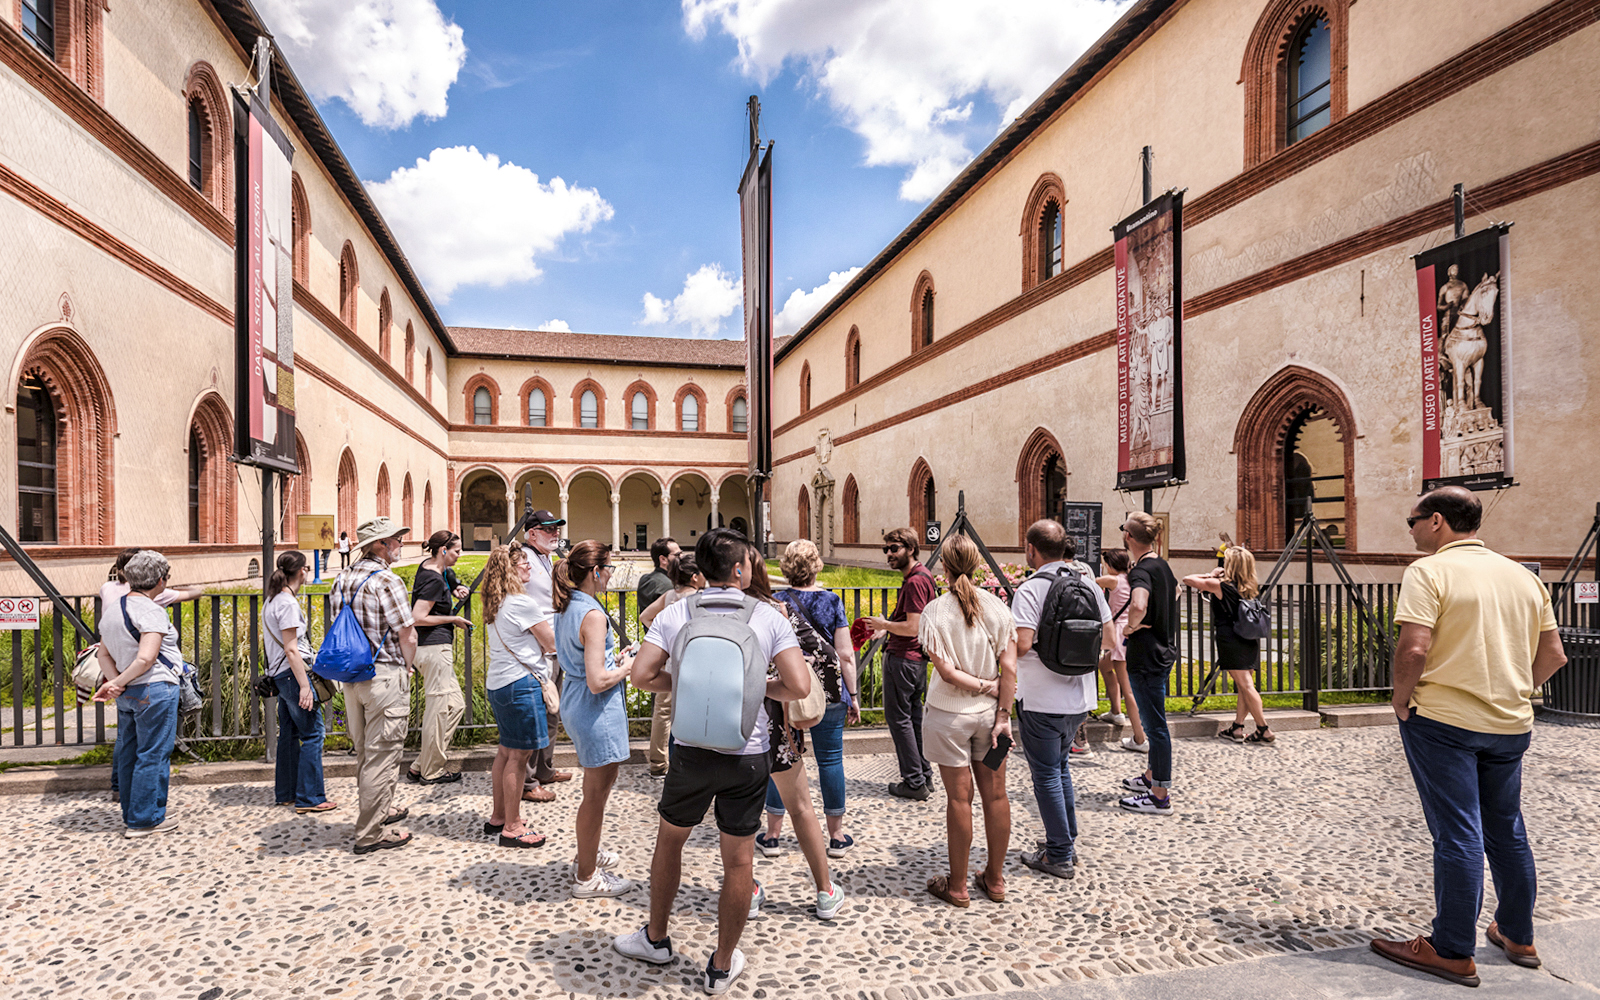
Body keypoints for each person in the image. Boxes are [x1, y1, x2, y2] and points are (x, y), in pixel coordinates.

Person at [1370, 487, 1568, 987]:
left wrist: (1399, 698)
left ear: (1436, 521)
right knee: (1507, 829)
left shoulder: (1429, 571)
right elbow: (1554, 656)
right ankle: (1518, 935)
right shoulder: (1522, 577)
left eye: (1412, 521)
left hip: (1445, 722)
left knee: (1458, 832)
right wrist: (1514, 687)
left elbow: (1414, 648)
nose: (1410, 530)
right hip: (1509, 723)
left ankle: (1452, 949)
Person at [614, 528, 811, 994]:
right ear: (741, 569)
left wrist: (680, 686)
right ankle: (721, 966)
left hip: (690, 752)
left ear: (699, 569)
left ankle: (657, 938)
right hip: (748, 751)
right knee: (739, 863)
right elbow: (799, 686)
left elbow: (642, 676)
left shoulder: (677, 611)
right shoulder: (767, 616)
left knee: (670, 842)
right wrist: (755, 689)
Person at [740, 543, 847, 920]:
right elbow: (810, 673)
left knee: (736, 813)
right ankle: (824, 889)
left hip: (723, 728)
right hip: (772, 725)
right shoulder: (774, 613)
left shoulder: (701, 611)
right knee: (802, 804)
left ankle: (747, 888)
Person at [917, 533, 1017, 906]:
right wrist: (1001, 708)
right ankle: (994, 879)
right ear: (977, 565)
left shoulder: (935, 612)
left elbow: (945, 673)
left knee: (960, 799)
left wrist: (979, 687)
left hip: (949, 716)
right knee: (997, 796)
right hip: (992, 718)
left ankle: (957, 886)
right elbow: (1009, 667)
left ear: (943, 567)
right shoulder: (998, 609)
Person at [1012, 520, 1113, 879]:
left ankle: (1058, 855)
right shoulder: (1088, 583)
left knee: (1046, 776)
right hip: (1080, 697)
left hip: (1041, 697)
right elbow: (1110, 639)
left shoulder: (1031, 589)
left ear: (1031, 549)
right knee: (1061, 769)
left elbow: (1023, 644)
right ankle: (1066, 841)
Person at [763, 539, 859, 859]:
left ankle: (773, 834)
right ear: (817, 565)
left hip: (788, 689)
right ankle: (837, 835)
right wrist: (854, 695)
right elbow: (845, 654)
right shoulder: (832, 601)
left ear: (787, 568)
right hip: (829, 689)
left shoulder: (775, 602)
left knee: (782, 758)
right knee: (830, 759)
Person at [554, 540, 638, 897]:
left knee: (596, 793)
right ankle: (587, 877)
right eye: (609, 568)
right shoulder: (592, 614)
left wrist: (612, 659)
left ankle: (588, 854)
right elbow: (597, 679)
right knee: (595, 795)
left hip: (577, 701)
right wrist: (629, 667)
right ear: (595, 572)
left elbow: (582, 662)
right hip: (594, 708)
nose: (610, 575)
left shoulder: (569, 605)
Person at [331, 517, 418, 854]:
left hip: (352, 675)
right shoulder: (386, 580)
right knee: (383, 755)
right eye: (397, 539)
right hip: (383, 674)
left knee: (367, 753)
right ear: (381, 544)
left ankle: (380, 810)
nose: (400, 544)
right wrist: (408, 666)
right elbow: (407, 633)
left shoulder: (342, 578)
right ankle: (370, 833)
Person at [98, 548, 202, 803]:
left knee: (129, 752)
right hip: (154, 688)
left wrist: (116, 683)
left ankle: (131, 812)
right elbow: (146, 658)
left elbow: (103, 654)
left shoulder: (114, 608)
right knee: (153, 754)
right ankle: (147, 818)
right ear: (160, 580)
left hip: (128, 692)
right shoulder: (151, 610)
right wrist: (118, 683)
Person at [482, 543, 553, 849]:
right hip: (521, 685)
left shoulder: (498, 603)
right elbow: (550, 643)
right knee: (519, 757)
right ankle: (512, 826)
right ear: (511, 570)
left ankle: (499, 815)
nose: (529, 568)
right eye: (523, 564)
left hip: (499, 683)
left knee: (505, 752)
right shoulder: (523, 604)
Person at [861, 527, 938, 800]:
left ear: (911, 549)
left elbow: (913, 627)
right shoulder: (922, 576)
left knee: (900, 721)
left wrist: (885, 625)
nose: (889, 555)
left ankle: (914, 782)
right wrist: (889, 627)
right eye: (887, 550)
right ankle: (924, 775)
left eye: (894, 548)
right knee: (913, 720)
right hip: (914, 661)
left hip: (904, 659)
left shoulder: (916, 581)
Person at [263, 550, 335, 814]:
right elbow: (292, 649)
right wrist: (305, 686)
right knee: (313, 733)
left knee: (289, 735)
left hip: (280, 676)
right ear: (302, 571)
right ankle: (311, 797)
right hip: (294, 676)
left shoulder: (271, 601)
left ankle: (287, 793)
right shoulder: (287, 604)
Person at [1117, 512, 1178, 816]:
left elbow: (1139, 604)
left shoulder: (1140, 570)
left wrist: (1130, 627)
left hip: (1146, 657)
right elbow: (1176, 592)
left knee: (1155, 727)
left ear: (1128, 536)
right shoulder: (1163, 566)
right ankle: (1152, 777)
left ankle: (1160, 795)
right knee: (1155, 721)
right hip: (1163, 652)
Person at [1182, 547, 1273, 744]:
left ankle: (1263, 729)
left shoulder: (1221, 586)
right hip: (1249, 639)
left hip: (1231, 639)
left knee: (1246, 686)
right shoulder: (1249, 587)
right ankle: (1237, 728)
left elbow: (1188, 579)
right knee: (1244, 685)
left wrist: (1211, 574)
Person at [407, 531, 473, 784]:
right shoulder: (433, 579)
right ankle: (431, 771)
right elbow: (417, 617)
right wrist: (453, 619)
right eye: (456, 551)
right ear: (443, 550)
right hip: (433, 649)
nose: (459, 555)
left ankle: (419, 765)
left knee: (455, 706)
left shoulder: (431, 568)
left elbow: (448, 576)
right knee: (439, 712)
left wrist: (455, 586)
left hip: (432, 649)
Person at [522, 510, 574, 800]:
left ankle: (545, 768)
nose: (556, 533)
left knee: (552, 712)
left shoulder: (546, 558)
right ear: (532, 533)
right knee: (538, 713)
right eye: (549, 529)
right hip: (538, 648)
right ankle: (528, 781)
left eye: (557, 529)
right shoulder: (524, 561)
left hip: (555, 645)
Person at [1095, 548, 1147, 751]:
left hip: (1120, 635)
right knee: (1104, 666)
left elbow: (1091, 583)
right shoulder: (1134, 579)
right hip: (1132, 634)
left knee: (1129, 690)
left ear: (1109, 565)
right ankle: (1115, 711)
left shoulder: (1113, 580)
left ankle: (1140, 738)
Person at [637, 536, 680, 778]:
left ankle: (659, 761)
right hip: (667, 653)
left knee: (662, 709)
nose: (680, 558)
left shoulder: (646, 579)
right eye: (676, 555)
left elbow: (645, 616)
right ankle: (660, 763)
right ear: (663, 559)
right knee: (666, 709)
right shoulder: (667, 588)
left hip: (654, 649)